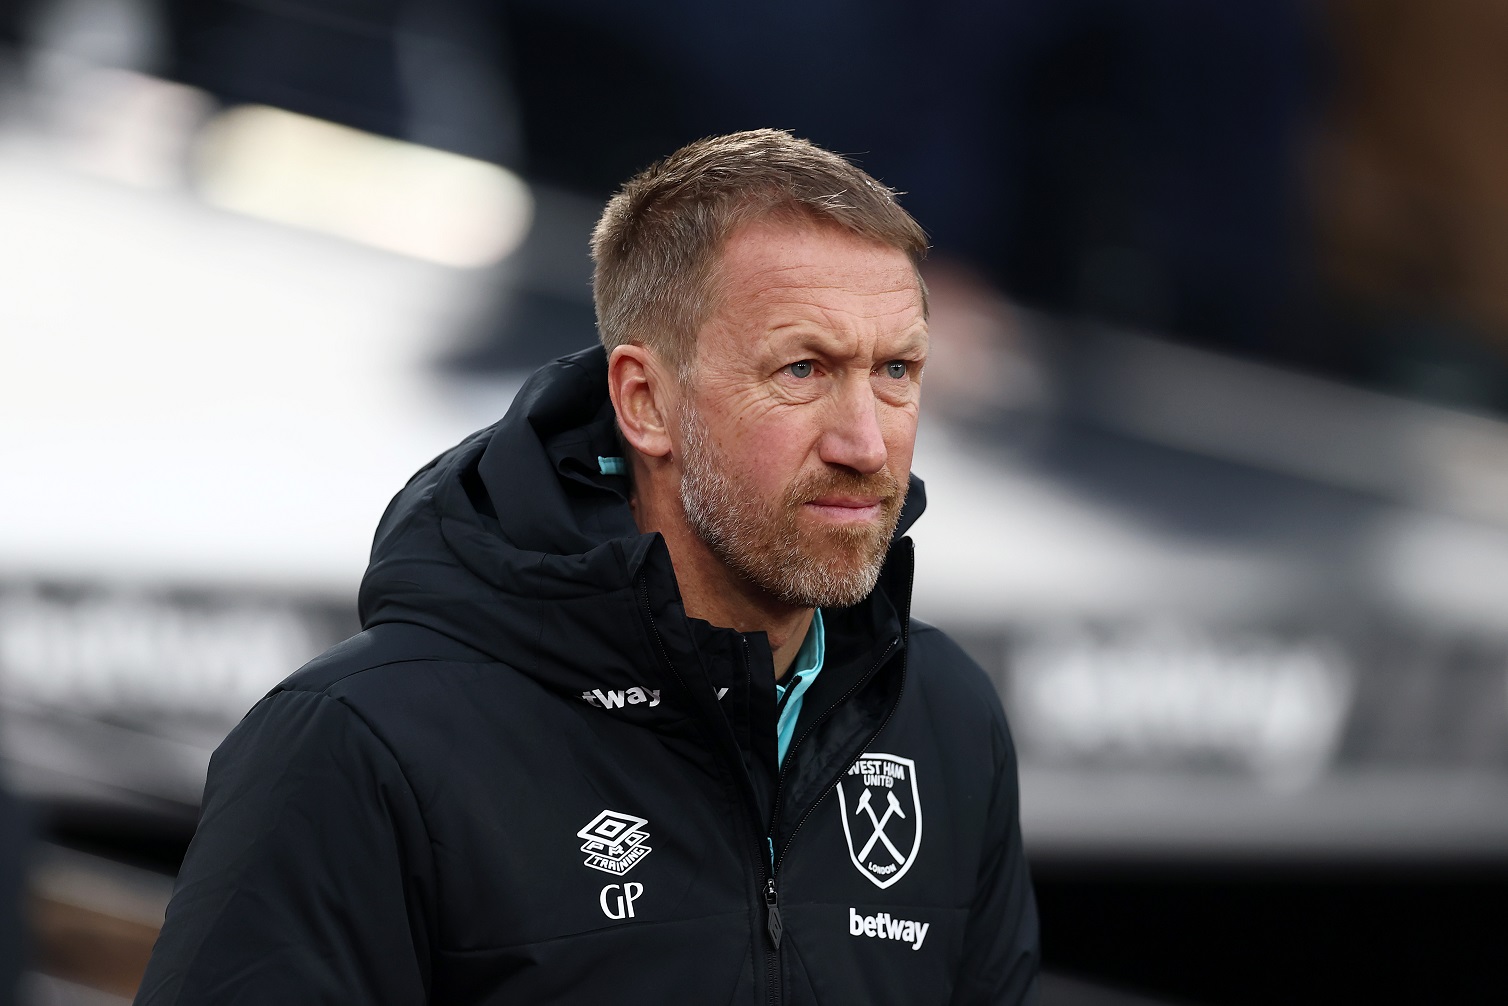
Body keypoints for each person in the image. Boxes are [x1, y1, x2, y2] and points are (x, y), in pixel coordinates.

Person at [136, 129, 1039, 1004]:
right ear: (645, 403)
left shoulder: (943, 716)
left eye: (897, 370)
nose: (867, 441)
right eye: (802, 370)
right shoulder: (358, 742)